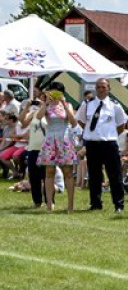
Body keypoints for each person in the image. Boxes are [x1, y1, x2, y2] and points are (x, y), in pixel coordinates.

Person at [76, 78, 128, 213]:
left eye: (103, 87)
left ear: (109, 89)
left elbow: (121, 125)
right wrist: (91, 133)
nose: (100, 89)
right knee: (94, 175)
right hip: (92, 143)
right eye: (98, 87)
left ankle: (119, 204)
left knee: (114, 175)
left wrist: (109, 134)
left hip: (109, 143)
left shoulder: (115, 105)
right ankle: (95, 203)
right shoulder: (87, 104)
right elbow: (81, 121)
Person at [36, 81, 78, 213]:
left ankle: (70, 205)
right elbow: (38, 117)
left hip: (64, 138)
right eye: (52, 91)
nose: (54, 94)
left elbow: (73, 121)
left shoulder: (67, 105)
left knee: (68, 172)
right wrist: (46, 103)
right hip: (50, 138)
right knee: (49, 172)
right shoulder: (46, 105)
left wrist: (64, 104)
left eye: (57, 92)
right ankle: (49, 204)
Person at [20, 92, 47, 207]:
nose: (42, 100)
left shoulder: (51, 113)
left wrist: (45, 106)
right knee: (34, 176)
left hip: (46, 149)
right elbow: (22, 121)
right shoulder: (34, 113)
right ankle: (37, 201)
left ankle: (49, 200)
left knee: (46, 176)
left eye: (45, 98)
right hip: (33, 148)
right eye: (42, 98)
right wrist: (27, 107)